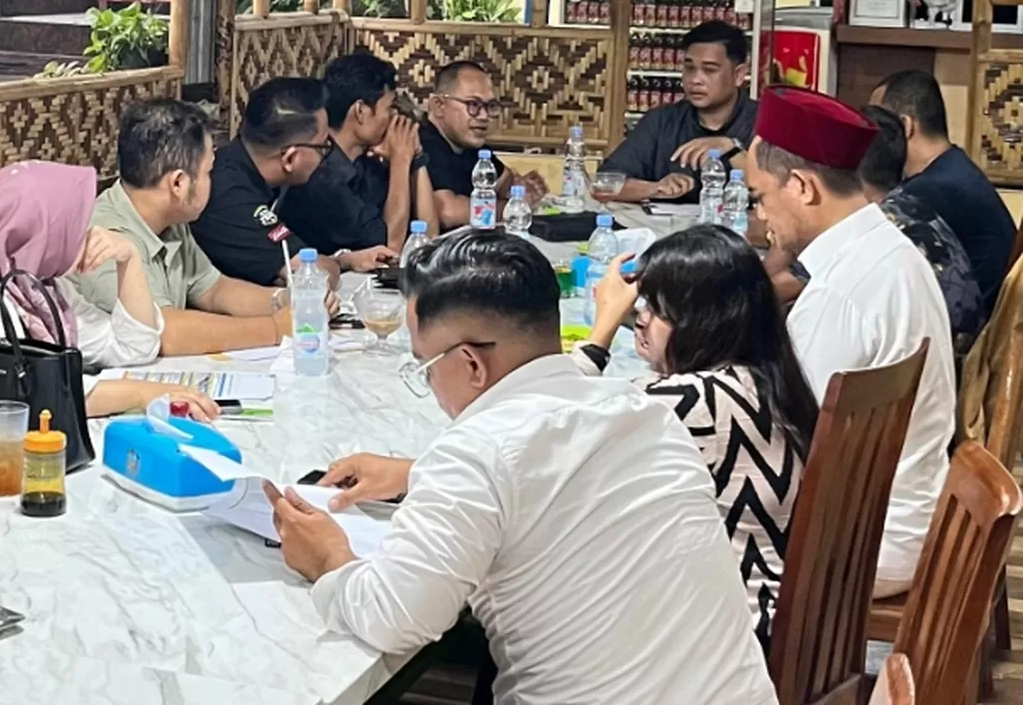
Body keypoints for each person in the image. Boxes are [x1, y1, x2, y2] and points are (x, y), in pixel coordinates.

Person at [262, 231, 778, 705]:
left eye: (424, 366)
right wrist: (418, 476)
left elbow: (396, 618)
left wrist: (329, 558)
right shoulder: (647, 416)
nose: (429, 384)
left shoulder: (475, 452)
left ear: (471, 363)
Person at [747, 86, 956, 598]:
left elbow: (784, 443)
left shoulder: (842, 293)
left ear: (802, 187)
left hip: (859, 539)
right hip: (896, 514)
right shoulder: (886, 250)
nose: (762, 218)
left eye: (760, 197)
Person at [572, 225, 817, 653]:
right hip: (776, 612)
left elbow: (552, 425)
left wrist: (601, 331)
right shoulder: (763, 378)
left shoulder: (694, 401)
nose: (640, 317)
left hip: (729, 636)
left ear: (703, 321)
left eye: (656, 308)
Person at [0, 160, 220, 447]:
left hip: (9, 458)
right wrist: (141, 393)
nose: (89, 233)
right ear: (37, 230)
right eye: (74, 224)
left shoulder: (34, 286)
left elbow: (134, 348)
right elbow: (20, 397)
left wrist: (129, 258)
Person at [73, 98, 310, 356]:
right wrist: (274, 329)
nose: (213, 180)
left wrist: (283, 300)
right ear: (178, 184)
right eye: (208, 172)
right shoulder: (106, 238)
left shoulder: (170, 217)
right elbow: (164, 333)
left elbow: (214, 289)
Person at [769, 105, 985, 367]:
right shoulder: (913, 207)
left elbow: (776, 290)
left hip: (953, 364)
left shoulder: (872, 233)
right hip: (955, 365)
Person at [191, 77, 396, 285]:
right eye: (323, 146)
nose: (327, 155)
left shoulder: (249, 171)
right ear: (290, 158)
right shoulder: (228, 197)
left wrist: (344, 260)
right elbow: (315, 277)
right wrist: (333, 264)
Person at [872, 69, 1016, 312]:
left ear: (905, 125)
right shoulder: (955, 167)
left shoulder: (931, 190)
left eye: (879, 124)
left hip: (974, 332)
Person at [278, 54, 439, 255]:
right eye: (389, 108)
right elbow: (389, 249)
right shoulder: (322, 177)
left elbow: (428, 235)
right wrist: (401, 160)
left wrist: (416, 157)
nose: (394, 116)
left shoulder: (365, 162)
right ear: (361, 111)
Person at [598, 20, 757, 203]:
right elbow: (603, 185)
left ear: (738, 75)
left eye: (709, 70)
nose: (695, 79)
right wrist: (655, 188)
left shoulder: (764, 124)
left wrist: (731, 149)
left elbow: (780, 193)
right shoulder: (661, 121)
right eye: (689, 68)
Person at [421, 61, 548, 231]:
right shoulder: (423, 142)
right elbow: (448, 212)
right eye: (473, 104)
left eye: (490, 106)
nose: (484, 116)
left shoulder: (471, 145)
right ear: (439, 105)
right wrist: (512, 209)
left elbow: (506, 181)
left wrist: (523, 188)